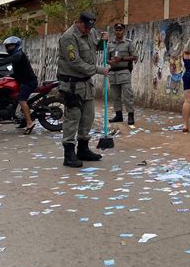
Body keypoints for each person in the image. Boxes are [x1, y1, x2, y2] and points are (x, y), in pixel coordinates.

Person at [57, 11, 109, 167]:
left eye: (90, 27)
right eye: (85, 26)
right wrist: (99, 69)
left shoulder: (90, 32)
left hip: (86, 84)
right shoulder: (68, 38)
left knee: (88, 117)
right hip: (72, 84)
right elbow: (76, 62)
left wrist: (102, 42)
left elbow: (93, 49)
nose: (88, 30)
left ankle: (83, 149)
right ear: (78, 22)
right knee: (72, 118)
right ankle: (69, 153)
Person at [0, 36, 38, 134]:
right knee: (15, 97)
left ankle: (29, 122)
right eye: (7, 46)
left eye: (10, 46)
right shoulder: (17, 55)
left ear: (16, 45)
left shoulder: (18, 54)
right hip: (22, 80)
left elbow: (4, 61)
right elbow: (18, 70)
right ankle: (23, 119)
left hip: (28, 82)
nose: (7, 48)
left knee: (22, 99)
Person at [107, 23, 138, 125]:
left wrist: (122, 59)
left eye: (120, 30)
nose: (118, 32)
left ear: (123, 31)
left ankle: (130, 115)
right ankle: (118, 115)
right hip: (113, 73)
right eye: (116, 30)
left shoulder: (128, 43)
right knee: (115, 96)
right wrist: (111, 62)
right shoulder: (110, 44)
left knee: (127, 95)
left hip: (124, 71)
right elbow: (106, 59)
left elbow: (134, 56)